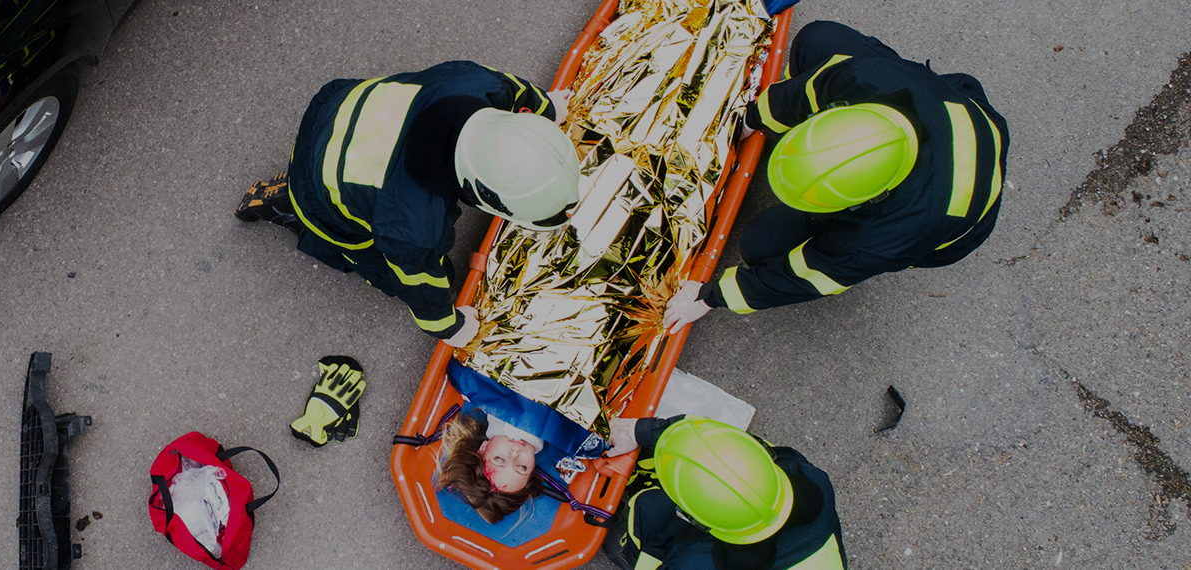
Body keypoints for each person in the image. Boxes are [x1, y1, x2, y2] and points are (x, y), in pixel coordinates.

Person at [663, 21, 1009, 332]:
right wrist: (753, 119)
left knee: (760, 245)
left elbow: (810, 275)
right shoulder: (868, 79)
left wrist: (710, 296)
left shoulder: (881, 237)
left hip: (955, 224)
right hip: (956, 106)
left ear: (866, 201)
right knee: (817, 40)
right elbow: (808, 89)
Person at [236, 61, 581, 347]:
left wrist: (547, 110)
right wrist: (451, 328)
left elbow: (519, 92)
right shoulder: (411, 227)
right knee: (389, 268)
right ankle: (288, 206)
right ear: (482, 194)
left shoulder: (478, 83)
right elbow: (422, 289)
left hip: (337, 107)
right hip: (314, 184)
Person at [599, 416, 847, 570]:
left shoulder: (694, 563)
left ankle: (627, 549)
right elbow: (730, 443)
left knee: (650, 510)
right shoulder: (808, 477)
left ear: (699, 522)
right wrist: (641, 431)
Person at [434, 361, 607, 522]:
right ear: (532, 467)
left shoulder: (475, 388)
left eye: (499, 459)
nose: (515, 454)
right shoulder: (570, 441)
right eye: (522, 467)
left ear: (483, 448)